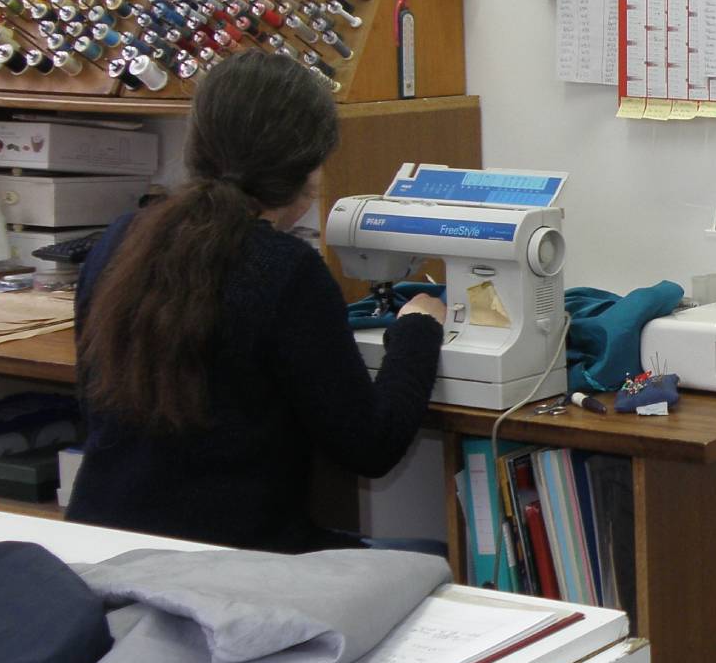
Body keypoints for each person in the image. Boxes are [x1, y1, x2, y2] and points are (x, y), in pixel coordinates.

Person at [69, 51, 446, 552]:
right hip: (235, 567)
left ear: (197, 143)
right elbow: (372, 445)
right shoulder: (285, 270)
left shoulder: (120, 241)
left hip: (102, 548)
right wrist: (419, 328)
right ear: (309, 173)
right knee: (436, 561)